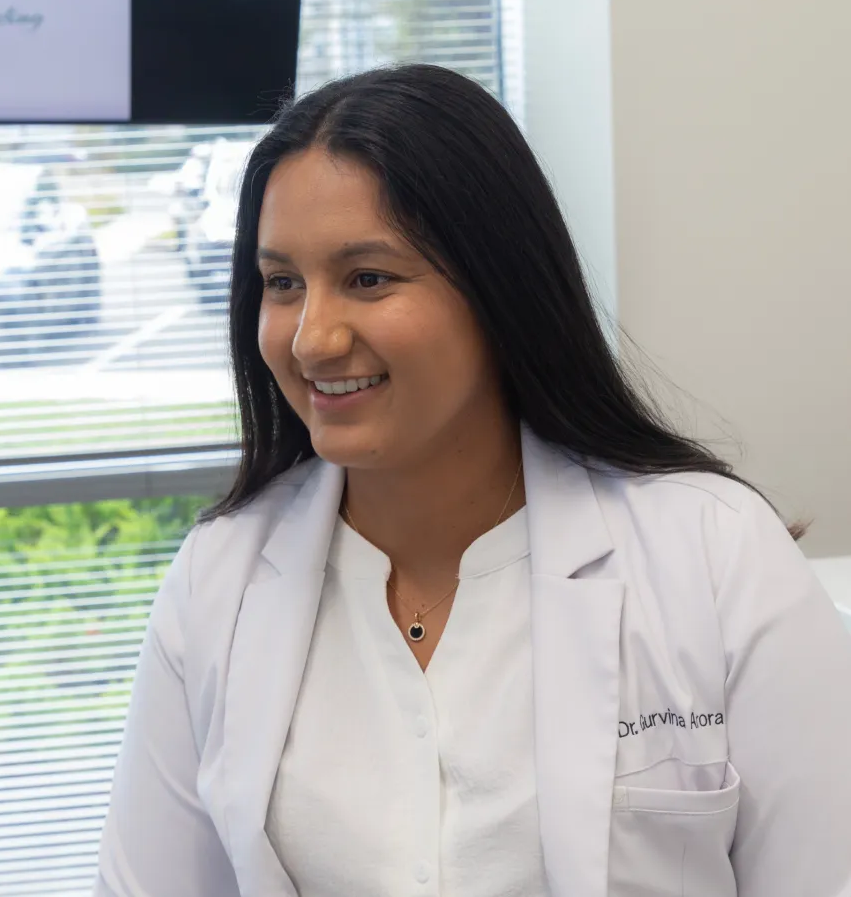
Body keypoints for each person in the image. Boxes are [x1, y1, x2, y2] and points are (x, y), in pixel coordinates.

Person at [94, 64, 851, 897]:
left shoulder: (713, 554)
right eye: (282, 284)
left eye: (368, 278)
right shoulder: (220, 580)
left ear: (499, 288)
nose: (311, 338)